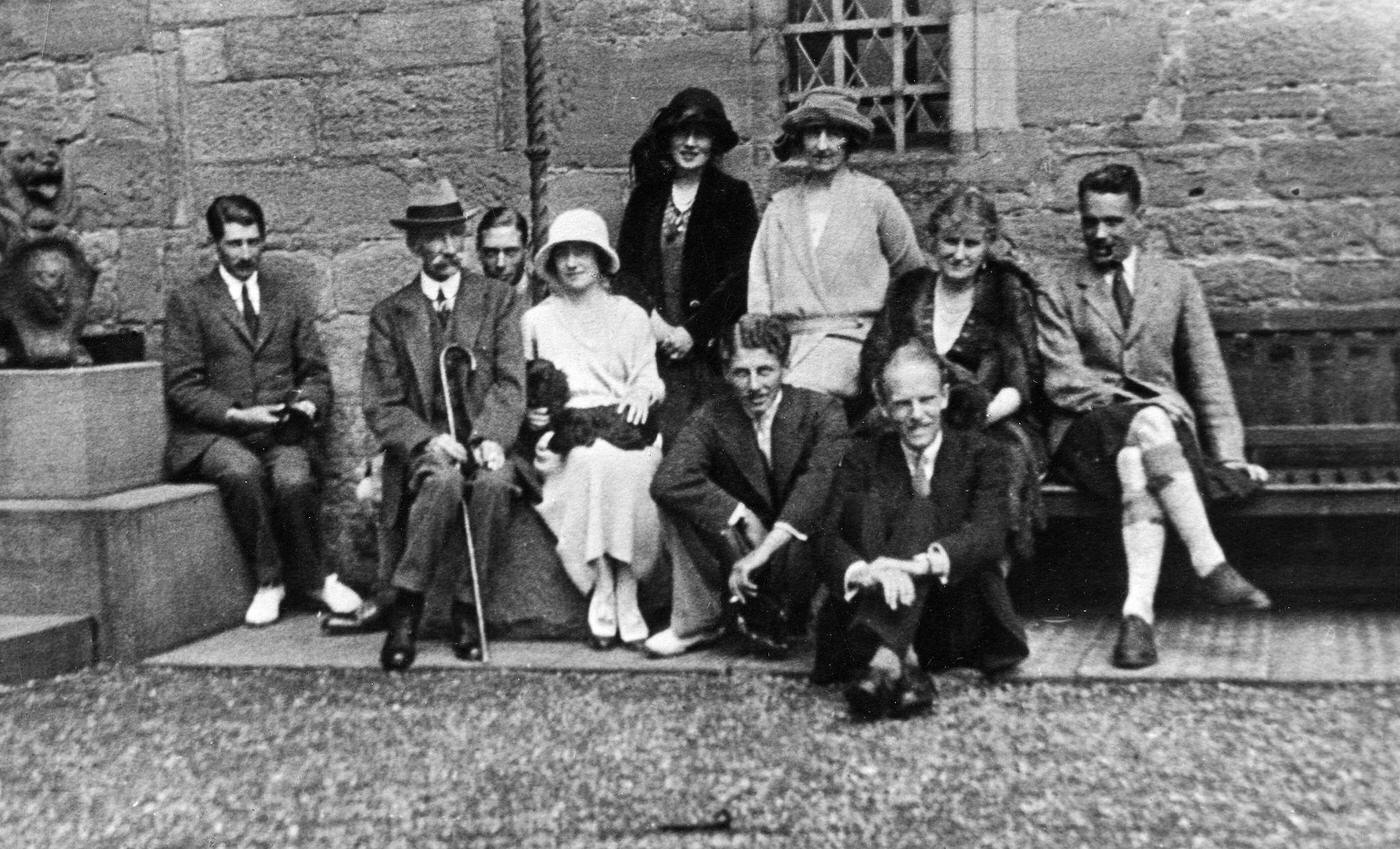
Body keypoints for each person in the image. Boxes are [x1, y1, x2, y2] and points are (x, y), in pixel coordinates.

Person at [1036, 163, 1271, 671]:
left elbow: (1207, 375)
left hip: (1152, 448)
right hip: (1084, 432)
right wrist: (1143, 401)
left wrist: (1230, 456)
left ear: (1139, 218)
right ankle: (1208, 559)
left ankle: (1136, 617)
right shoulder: (1058, 284)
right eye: (1090, 221)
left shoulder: (1175, 283)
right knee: (1146, 425)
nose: (1100, 233)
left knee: (1136, 458)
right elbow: (1062, 379)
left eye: (1114, 222)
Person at [163, 195, 362, 627]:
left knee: (293, 480)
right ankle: (270, 582)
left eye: (254, 242)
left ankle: (316, 579)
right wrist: (236, 415)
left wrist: (308, 403)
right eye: (234, 244)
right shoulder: (190, 301)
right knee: (241, 472)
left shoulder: (286, 297)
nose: (246, 254)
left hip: (280, 432)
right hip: (215, 434)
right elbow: (182, 385)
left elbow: (316, 373)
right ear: (216, 243)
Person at [813, 340, 1028, 720]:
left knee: (922, 512)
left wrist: (918, 566)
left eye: (927, 400)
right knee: (895, 511)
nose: (917, 414)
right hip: (871, 603)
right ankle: (903, 661)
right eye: (902, 404)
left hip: (954, 619)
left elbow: (989, 535)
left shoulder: (985, 454)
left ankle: (882, 663)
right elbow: (829, 537)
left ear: (945, 397)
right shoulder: (862, 456)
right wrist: (866, 571)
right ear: (883, 407)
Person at [362, 178, 526, 671]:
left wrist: (491, 437)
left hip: (483, 440)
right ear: (414, 245)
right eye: (434, 238)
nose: (447, 249)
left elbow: (510, 381)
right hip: (424, 448)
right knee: (443, 481)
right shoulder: (391, 313)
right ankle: (407, 607)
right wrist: (429, 439)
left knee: (495, 484)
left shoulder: (497, 300)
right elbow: (383, 404)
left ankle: (465, 608)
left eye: (454, 235)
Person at [859, 186, 1047, 565]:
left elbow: (1022, 381)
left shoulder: (1003, 292)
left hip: (991, 419)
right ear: (932, 242)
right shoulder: (909, 291)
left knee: (997, 465)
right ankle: (894, 568)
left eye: (971, 243)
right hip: (912, 415)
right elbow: (876, 362)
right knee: (870, 460)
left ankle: (983, 572)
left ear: (987, 245)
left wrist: (978, 417)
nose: (959, 254)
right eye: (949, 241)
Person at [646, 315, 849, 658]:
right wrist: (741, 515)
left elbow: (816, 486)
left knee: (832, 499)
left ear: (785, 366)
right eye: (741, 373)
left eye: (765, 370)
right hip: (741, 549)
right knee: (675, 500)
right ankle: (698, 620)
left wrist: (765, 548)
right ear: (726, 373)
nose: (754, 385)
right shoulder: (712, 416)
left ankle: (811, 616)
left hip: (801, 549)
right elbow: (668, 479)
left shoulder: (822, 410)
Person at [523, 208, 667, 650]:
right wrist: (534, 416)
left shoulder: (629, 315)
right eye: (562, 254)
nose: (572, 263)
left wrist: (642, 394)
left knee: (619, 460)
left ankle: (627, 584)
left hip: (625, 424)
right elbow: (527, 385)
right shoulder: (537, 320)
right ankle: (603, 582)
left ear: (601, 259)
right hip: (569, 433)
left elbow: (648, 378)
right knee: (589, 458)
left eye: (582, 252)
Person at [748, 86, 923, 404]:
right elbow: (759, 290)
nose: (823, 145)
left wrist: (890, 341)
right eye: (814, 133)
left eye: (834, 133)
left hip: (855, 344)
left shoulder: (875, 198)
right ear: (801, 139)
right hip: (789, 346)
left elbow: (913, 277)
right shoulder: (779, 207)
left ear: (850, 138)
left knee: (798, 398)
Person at [615, 87, 759, 446]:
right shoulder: (646, 197)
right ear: (669, 139)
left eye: (702, 134)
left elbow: (742, 277)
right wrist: (655, 323)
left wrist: (692, 332)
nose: (691, 143)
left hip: (711, 349)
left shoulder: (733, 195)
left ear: (714, 143)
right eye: (683, 133)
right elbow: (625, 272)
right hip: (651, 344)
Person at [476, 206, 540, 304]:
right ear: (479, 253)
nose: (500, 264)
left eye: (510, 252)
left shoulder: (543, 298)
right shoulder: (471, 302)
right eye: (491, 253)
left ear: (527, 251)